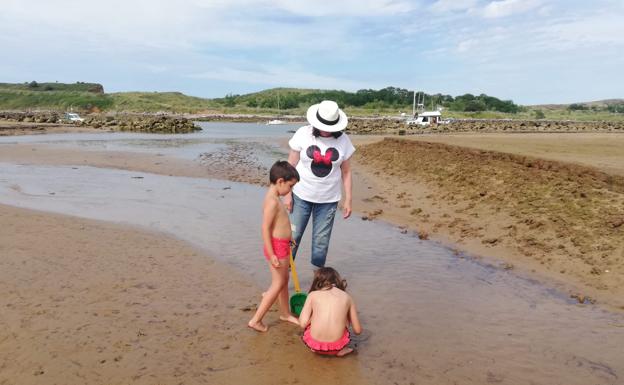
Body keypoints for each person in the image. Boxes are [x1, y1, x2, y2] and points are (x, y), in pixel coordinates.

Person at [285, 100, 355, 267]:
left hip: (328, 200)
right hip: (301, 195)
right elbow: (290, 166)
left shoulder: (344, 141)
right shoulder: (303, 133)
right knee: (292, 238)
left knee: (321, 243)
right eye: (322, 125)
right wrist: (287, 194)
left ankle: (317, 283)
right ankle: (283, 280)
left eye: (330, 127)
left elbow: (346, 172)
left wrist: (348, 199)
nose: (325, 130)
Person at [248, 160, 301, 332]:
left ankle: (285, 313)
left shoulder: (275, 198)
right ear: (280, 181)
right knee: (278, 284)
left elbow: (280, 224)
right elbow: (265, 228)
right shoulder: (272, 201)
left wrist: (290, 237)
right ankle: (256, 320)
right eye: (290, 186)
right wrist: (272, 254)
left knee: (284, 281)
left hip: (282, 244)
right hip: (276, 248)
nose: (290, 190)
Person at [298, 267, 362, 357]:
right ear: (337, 280)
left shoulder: (312, 295)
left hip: (315, 346)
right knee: (344, 317)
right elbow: (358, 330)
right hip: (337, 348)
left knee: (312, 320)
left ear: (317, 282)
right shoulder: (347, 297)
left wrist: (312, 317)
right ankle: (342, 350)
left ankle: (318, 348)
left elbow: (302, 324)